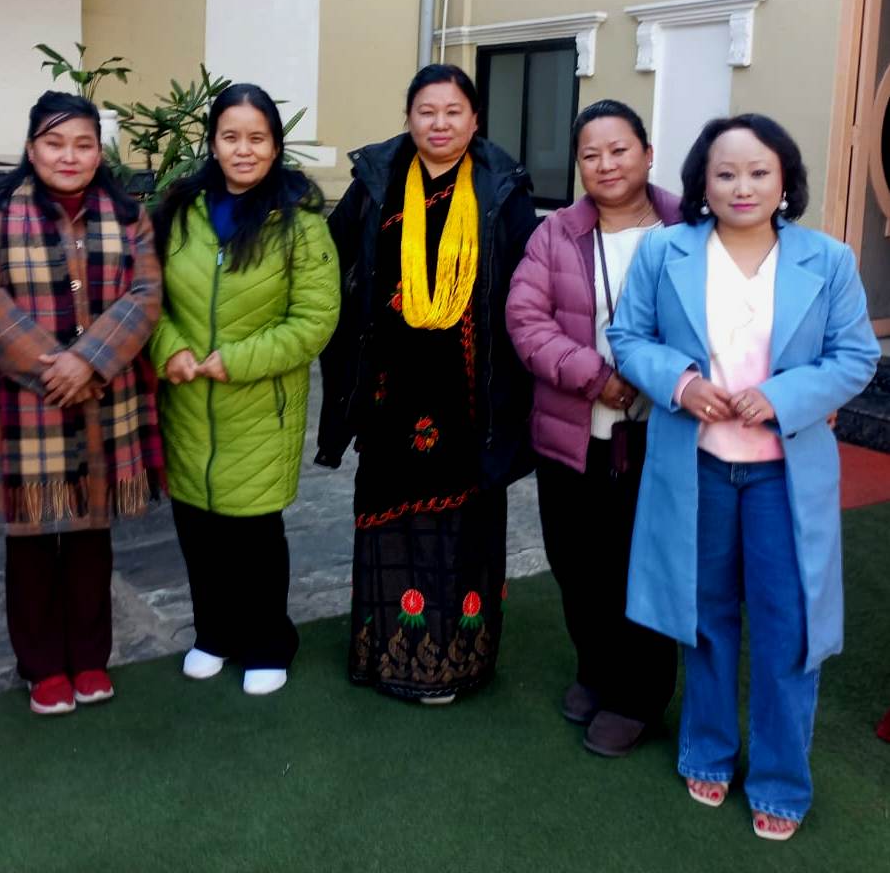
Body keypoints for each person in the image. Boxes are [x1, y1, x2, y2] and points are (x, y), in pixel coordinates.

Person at [609, 114, 879, 840]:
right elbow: (627, 337)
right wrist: (682, 382)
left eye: (759, 172)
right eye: (725, 173)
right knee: (706, 620)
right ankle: (707, 750)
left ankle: (782, 782)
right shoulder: (665, 250)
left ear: (785, 178)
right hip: (696, 468)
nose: (742, 187)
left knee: (789, 627)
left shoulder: (828, 260)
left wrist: (784, 397)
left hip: (782, 478)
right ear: (702, 181)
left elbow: (855, 356)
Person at [318, 64, 538, 704]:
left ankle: (456, 663)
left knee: (463, 527)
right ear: (409, 117)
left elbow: (529, 281)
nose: (439, 124)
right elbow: (330, 259)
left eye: (452, 111)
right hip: (390, 392)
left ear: (475, 119)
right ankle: (384, 656)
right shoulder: (377, 182)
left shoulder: (501, 188)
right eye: (426, 111)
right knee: (391, 520)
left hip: (470, 395)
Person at [0, 92, 163, 715]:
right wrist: (57, 367)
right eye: (54, 143)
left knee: (90, 538)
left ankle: (90, 659)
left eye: (82, 144)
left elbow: (146, 293)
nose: (68, 156)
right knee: (30, 542)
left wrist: (90, 360)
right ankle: (42, 667)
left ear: (99, 152)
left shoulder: (129, 215)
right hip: (27, 405)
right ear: (31, 149)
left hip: (105, 398)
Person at [151, 83, 338, 696]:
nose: (243, 150)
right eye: (231, 137)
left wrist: (231, 361)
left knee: (253, 537)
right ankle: (214, 633)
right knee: (197, 529)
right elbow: (148, 297)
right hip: (187, 401)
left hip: (260, 406)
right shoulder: (181, 210)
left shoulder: (299, 222)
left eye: (257, 138)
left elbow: (315, 319)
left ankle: (267, 642)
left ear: (276, 146)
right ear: (212, 143)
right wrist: (169, 348)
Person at [506, 99, 679, 755]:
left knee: (643, 565)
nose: (606, 164)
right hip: (573, 431)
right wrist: (594, 376)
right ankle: (596, 670)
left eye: (619, 150)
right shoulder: (556, 234)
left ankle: (639, 696)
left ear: (648, 154)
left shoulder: (689, 227)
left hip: (660, 435)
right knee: (576, 561)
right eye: (590, 154)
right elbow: (526, 320)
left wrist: (662, 375)